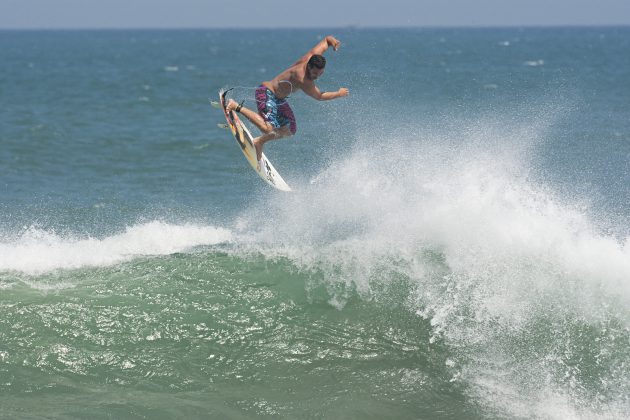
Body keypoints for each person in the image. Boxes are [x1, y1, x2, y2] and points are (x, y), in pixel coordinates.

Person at [226, 35, 349, 162]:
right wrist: (338, 94)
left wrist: (333, 42)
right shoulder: (303, 79)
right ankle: (236, 106)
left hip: (278, 100)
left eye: (320, 74)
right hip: (266, 93)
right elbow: (319, 96)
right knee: (268, 129)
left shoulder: (311, 57)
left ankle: (259, 142)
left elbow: (326, 40)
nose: (316, 77)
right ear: (309, 67)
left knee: (290, 129)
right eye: (314, 73)